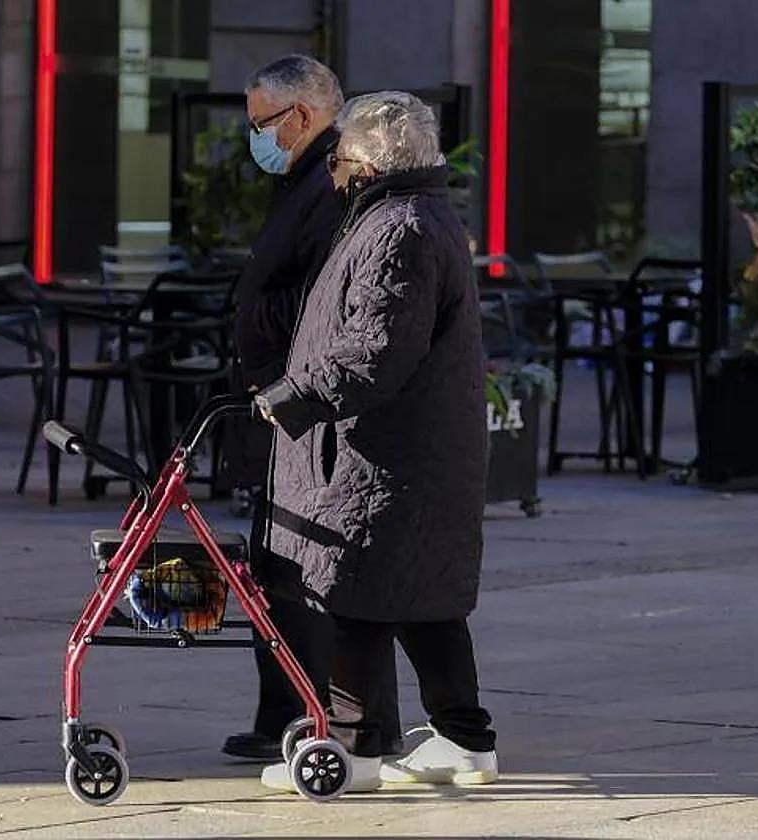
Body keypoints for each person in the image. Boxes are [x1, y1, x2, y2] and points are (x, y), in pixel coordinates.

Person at [253, 91, 498, 792]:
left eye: (341, 153)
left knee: (354, 596)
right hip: (408, 450)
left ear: (368, 160)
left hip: (382, 455)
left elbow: (377, 351)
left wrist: (296, 396)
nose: (331, 165)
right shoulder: (414, 216)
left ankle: (355, 752)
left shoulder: (400, 228)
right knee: (422, 601)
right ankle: (464, 738)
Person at [223, 55, 402, 762]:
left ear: (301, 116)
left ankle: (315, 712)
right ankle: (285, 710)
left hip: (307, 407)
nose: (256, 139)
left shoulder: (333, 180)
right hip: (281, 401)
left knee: (303, 568)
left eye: (261, 124)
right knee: (274, 564)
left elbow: (330, 298)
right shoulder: (306, 176)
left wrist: (256, 315)